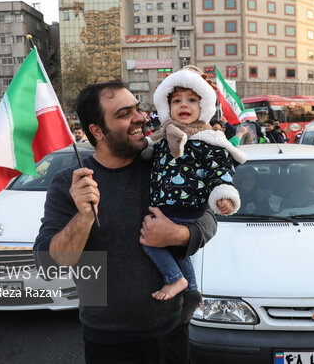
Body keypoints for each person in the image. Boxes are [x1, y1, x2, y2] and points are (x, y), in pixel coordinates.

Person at [33, 80, 218, 363]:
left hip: (172, 331)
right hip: (108, 338)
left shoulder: (163, 164)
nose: (140, 118)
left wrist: (178, 234)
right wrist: (83, 216)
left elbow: (208, 219)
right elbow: (49, 263)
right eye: (124, 114)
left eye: (137, 108)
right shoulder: (72, 183)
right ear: (97, 131)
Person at [146, 66, 246, 300]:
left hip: (187, 208)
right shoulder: (162, 138)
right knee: (180, 252)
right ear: (166, 107)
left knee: (149, 241)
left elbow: (219, 169)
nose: (184, 105)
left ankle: (175, 280)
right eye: (177, 100)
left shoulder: (207, 140)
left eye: (192, 99)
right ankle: (191, 290)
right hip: (166, 208)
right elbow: (148, 155)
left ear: (204, 107)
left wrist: (223, 195)